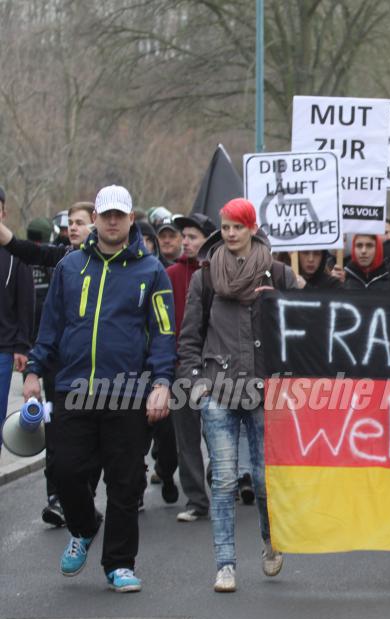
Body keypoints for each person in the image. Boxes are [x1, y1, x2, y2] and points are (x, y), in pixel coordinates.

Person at [23, 185, 176, 593]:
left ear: (130, 219)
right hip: (73, 388)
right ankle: (85, 526)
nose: (111, 221)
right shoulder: (70, 267)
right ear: (95, 219)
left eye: (118, 215)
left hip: (128, 393)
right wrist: (34, 372)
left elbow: (163, 332)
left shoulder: (152, 271)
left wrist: (162, 382)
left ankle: (119, 563)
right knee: (66, 471)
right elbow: (50, 325)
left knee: (126, 482)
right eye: (105, 214)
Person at [178, 198, 298, 592]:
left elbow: (304, 325)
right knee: (226, 479)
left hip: (266, 389)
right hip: (218, 388)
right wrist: (194, 379)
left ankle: (271, 541)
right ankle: (225, 564)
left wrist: (300, 290)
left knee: (264, 480)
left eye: (237, 227)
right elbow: (190, 335)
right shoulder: (207, 276)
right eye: (225, 226)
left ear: (251, 228)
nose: (230, 233)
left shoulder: (277, 272)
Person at [0, 201, 95, 526]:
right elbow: (22, 248)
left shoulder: (125, 266)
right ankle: (57, 498)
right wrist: (33, 370)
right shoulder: (63, 258)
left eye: (80, 222)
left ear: (95, 224)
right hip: (58, 370)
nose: (73, 227)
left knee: (94, 445)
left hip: (101, 374)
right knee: (56, 437)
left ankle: (87, 501)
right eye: (70, 222)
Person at [167, 213, 216, 521]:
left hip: (215, 368)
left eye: (193, 236)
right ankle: (196, 499)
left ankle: (222, 484)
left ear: (207, 242)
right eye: (183, 236)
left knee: (217, 433)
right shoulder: (170, 274)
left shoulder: (218, 273)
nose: (185, 241)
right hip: (181, 365)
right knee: (186, 439)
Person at [0, 186, 34, 445]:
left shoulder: (16, 253)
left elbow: (26, 302)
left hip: (3, 348)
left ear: (3, 212)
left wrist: (22, 345)